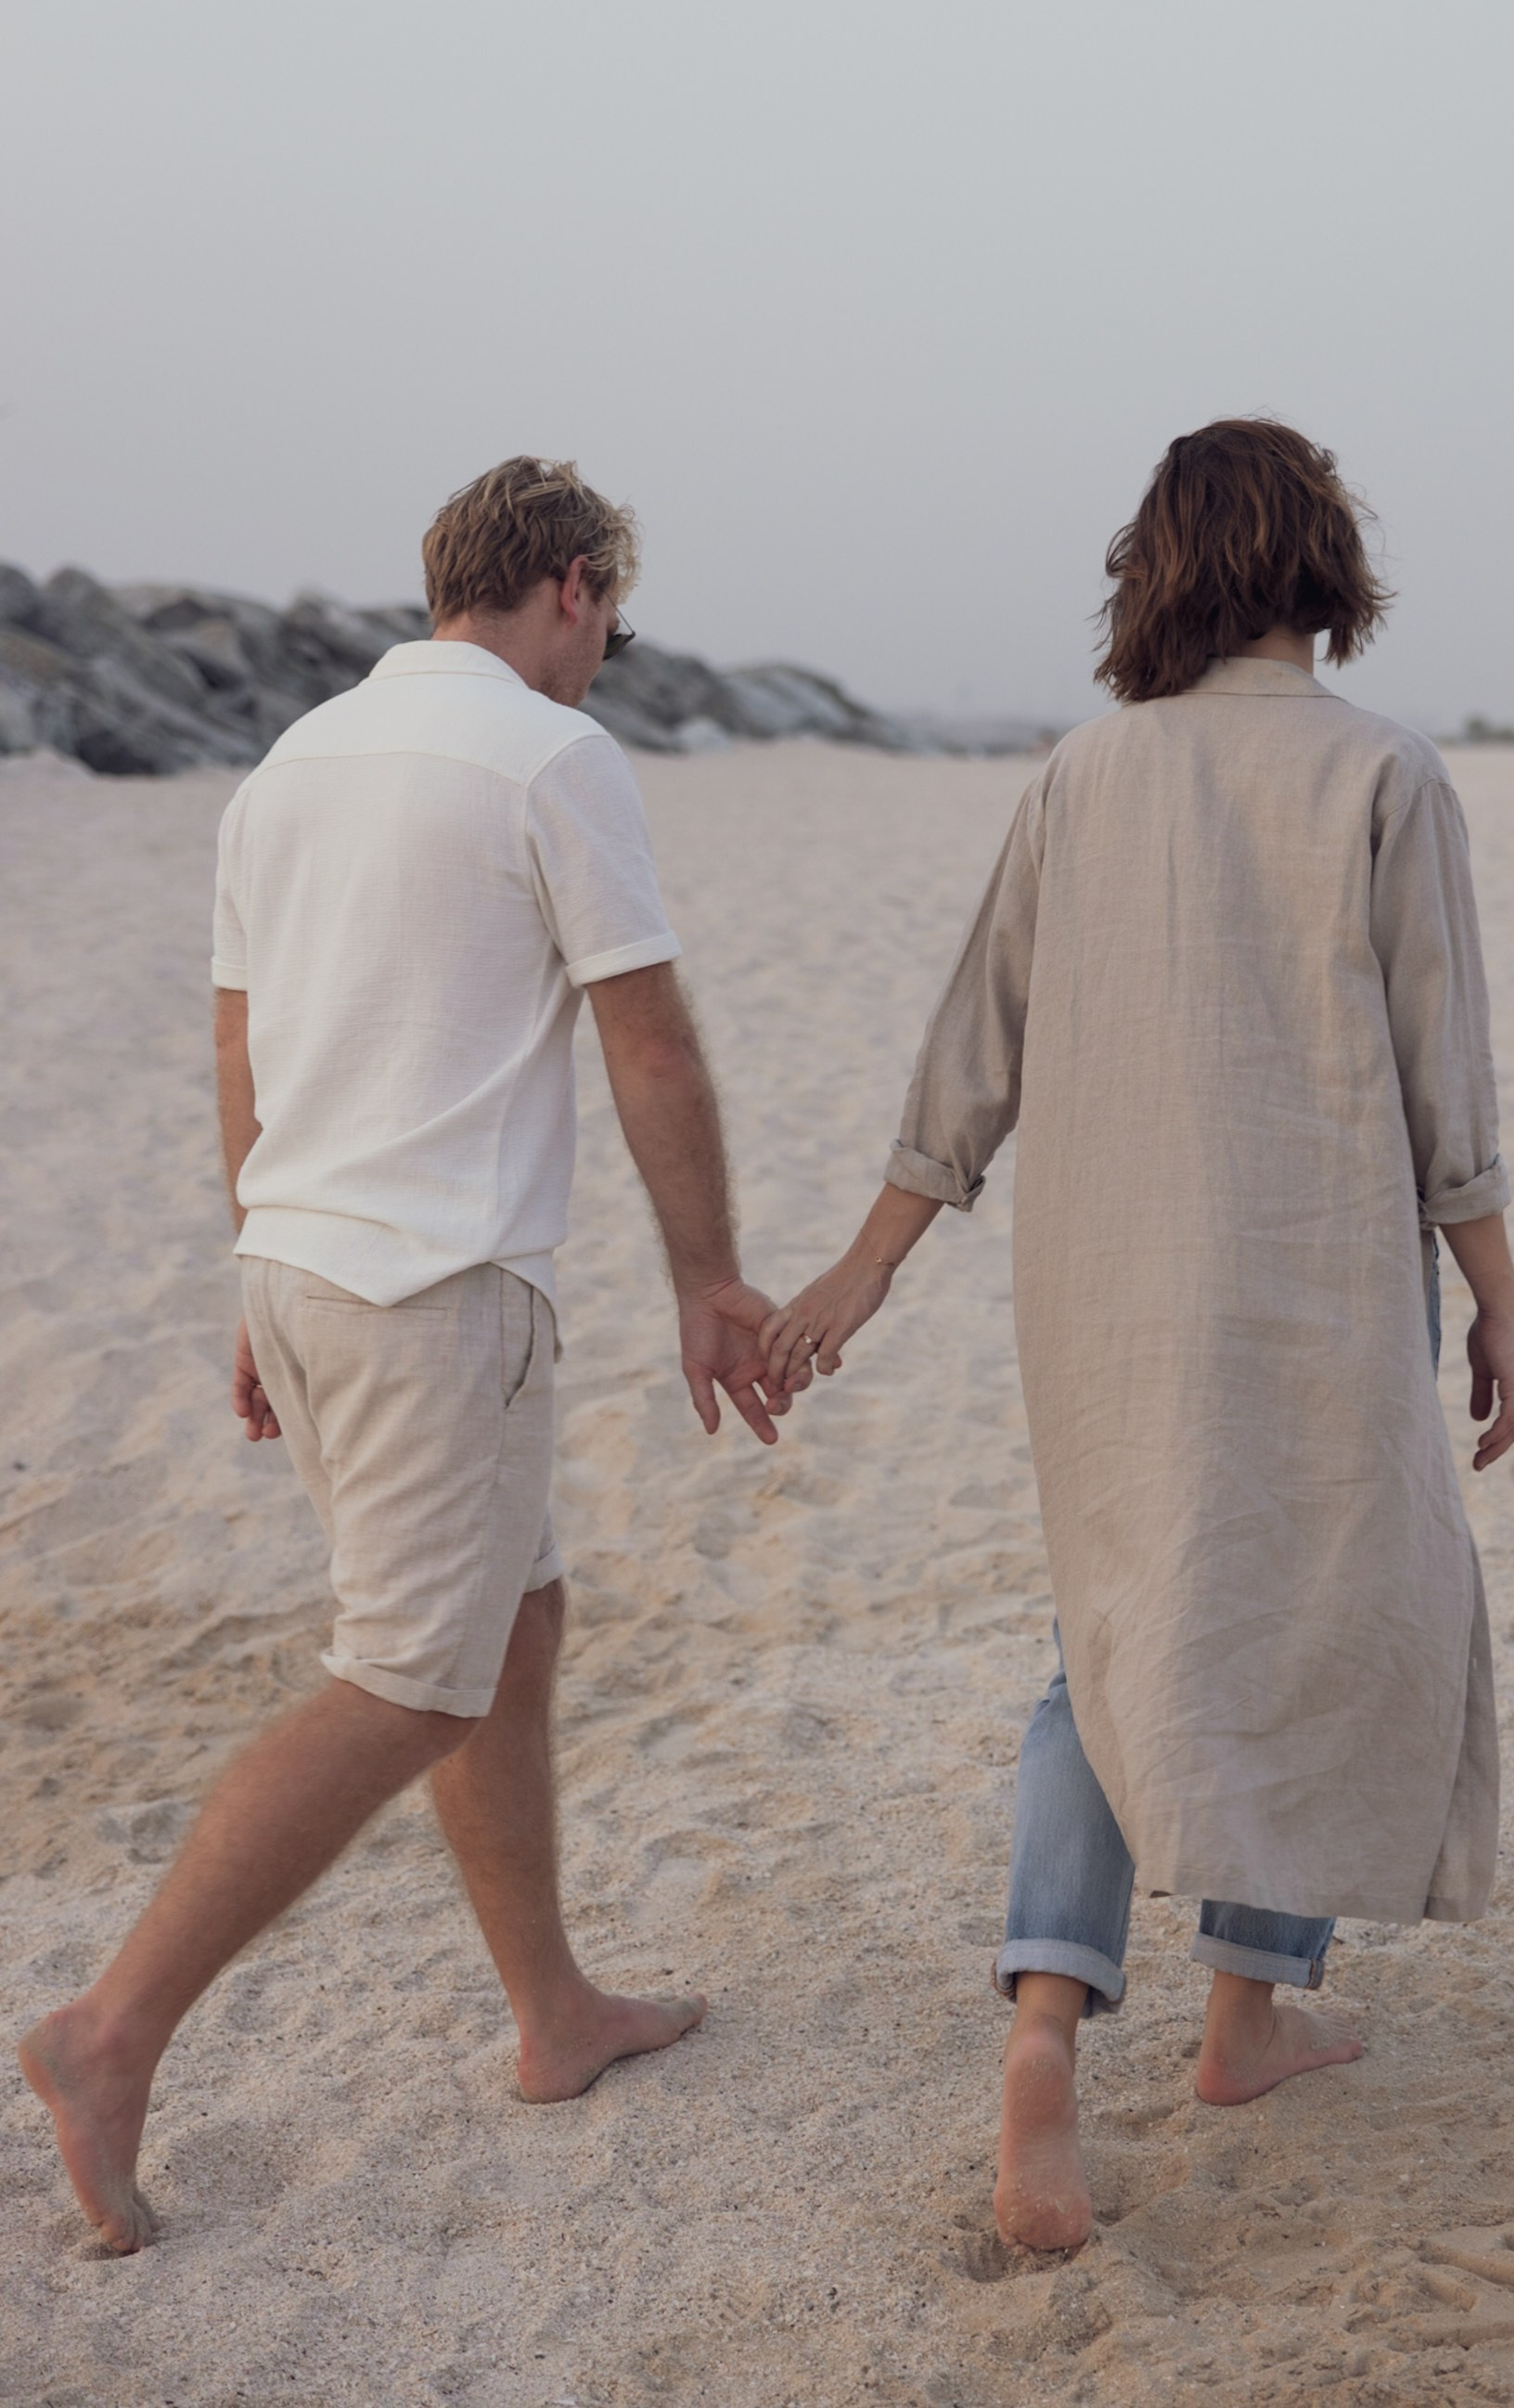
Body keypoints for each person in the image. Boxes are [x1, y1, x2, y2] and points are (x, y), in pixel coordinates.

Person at [760, 418, 1514, 2251]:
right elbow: (1445, 1080)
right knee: (1317, 1613)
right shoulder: (1385, 773)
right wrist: (1501, 1292)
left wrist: (866, 1269)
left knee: (1109, 1636)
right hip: (1317, 1279)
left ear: (1161, 568)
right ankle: (1244, 2017)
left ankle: (1045, 2030)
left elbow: (974, 1048)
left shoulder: (1081, 774)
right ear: (1321, 562)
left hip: (1103, 1286)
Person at [19, 457, 801, 2255]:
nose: (603, 652)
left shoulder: (290, 764)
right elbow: (650, 1046)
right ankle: (109, 2032)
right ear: (575, 584)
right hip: (433, 1288)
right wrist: (709, 1277)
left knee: (514, 1617)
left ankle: (552, 2013)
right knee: (411, 1679)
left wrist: (253, 1273)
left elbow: (244, 1050)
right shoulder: (550, 755)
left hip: (303, 1265)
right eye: (610, 618)